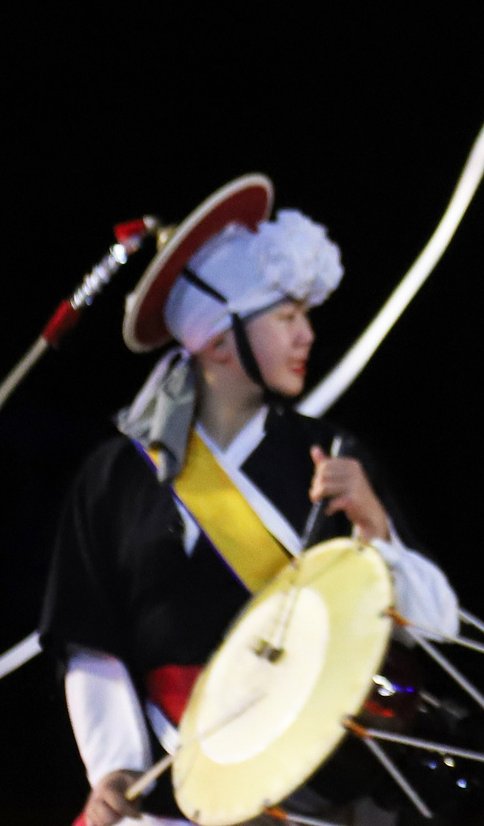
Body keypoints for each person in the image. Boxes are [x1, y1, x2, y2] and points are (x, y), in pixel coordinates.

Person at [42, 177, 458, 826]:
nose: (307, 335)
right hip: (176, 796)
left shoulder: (334, 452)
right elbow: (92, 643)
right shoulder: (114, 478)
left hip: (328, 793)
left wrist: (375, 527)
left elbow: (437, 630)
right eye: (287, 316)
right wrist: (114, 769)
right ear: (216, 337)